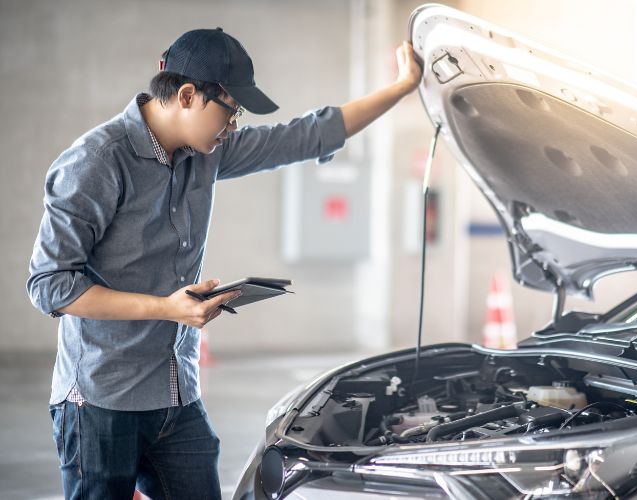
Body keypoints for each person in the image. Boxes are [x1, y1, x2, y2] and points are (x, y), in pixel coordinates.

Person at [26, 27, 422, 500]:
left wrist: (402, 87)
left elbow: (308, 134)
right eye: (231, 111)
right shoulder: (96, 162)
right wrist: (166, 308)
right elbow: (50, 285)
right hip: (100, 399)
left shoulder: (207, 154)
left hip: (175, 392)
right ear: (188, 95)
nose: (233, 125)